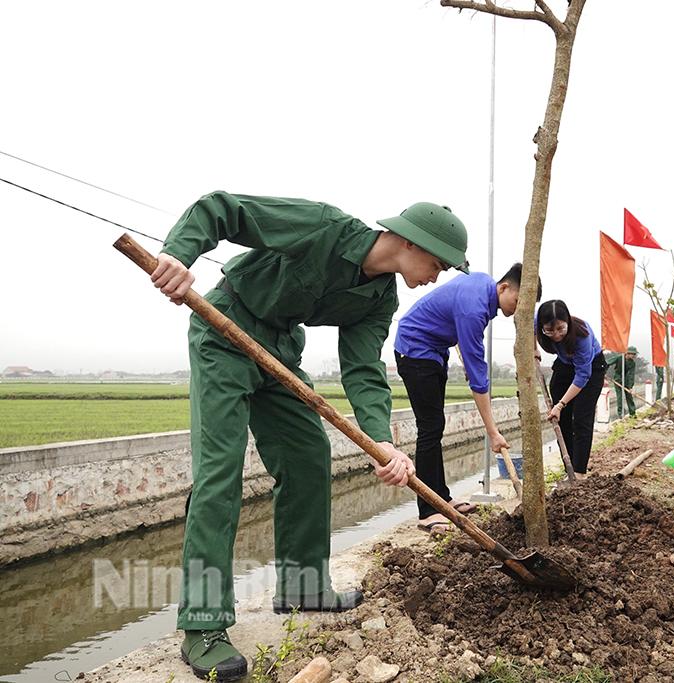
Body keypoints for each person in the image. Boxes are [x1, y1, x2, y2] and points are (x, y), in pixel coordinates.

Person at [151, 192, 467, 680]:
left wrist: (380, 440)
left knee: (308, 456)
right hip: (224, 333)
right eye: (438, 263)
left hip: (278, 351)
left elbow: (363, 369)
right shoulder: (323, 227)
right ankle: (202, 626)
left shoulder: (381, 297)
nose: (437, 275)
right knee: (220, 473)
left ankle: (303, 586)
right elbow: (224, 209)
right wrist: (178, 254)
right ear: (408, 241)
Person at [394, 263, 538, 535]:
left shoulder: (484, 286)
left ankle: (442, 498)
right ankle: (427, 511)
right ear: (504, 287)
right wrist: (493, 433)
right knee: (430, 428)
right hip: (415, 350)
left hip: (434, 352)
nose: (518, 309)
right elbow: (477, 375)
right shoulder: (474, 308)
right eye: (518, 301)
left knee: (435, 427)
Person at [536, 300, 608, 476]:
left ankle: (579, 472)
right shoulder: (537, 321)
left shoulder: (582, 336)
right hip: (565, 363)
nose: (556, 335)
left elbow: (583, 375)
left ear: (567, 321)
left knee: (582, 418)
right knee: (562, 420)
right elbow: (528, 326)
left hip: (591, 368)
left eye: (561, 328)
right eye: (549, 330)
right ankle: (569, 467)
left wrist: (560, 404)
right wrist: (534, 349)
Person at [606, 346, 638, 418]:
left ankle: (632, 413)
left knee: (629, 396)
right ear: (628, 353)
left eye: (634, 354)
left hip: (626, 380)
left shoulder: (632, 363)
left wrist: (630, 387)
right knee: (619, 397)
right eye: (632, 354)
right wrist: (604, 372)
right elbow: (607, 363)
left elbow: (631, 375)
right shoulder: (619, 358)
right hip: (617, 379)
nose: (633, 356)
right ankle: (620, 413)